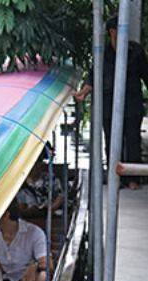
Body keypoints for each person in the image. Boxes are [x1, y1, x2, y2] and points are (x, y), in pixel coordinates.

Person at [73, 16, 148, 189]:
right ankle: (116, 177)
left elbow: (146, 74)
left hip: (132, 103)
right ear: (112, 32)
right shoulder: (102, 53)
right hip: (109, 104)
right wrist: (83, 92)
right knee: (111, 141)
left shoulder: (136, 51)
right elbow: (93, 76)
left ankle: (132, 179)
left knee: (133, 140)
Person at [0, 199, 49, 281]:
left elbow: (48, 263)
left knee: (43, 276)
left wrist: (35, 265)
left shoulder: (34, 232)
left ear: (6, 215)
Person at [16, 156, 64, 222]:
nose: (35, 167)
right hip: (28, 216)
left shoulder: (50, 178)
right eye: (33, 165)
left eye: (37, 164)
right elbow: (19, 205)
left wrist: (51, 209)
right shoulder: (20, 182)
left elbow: (60, 196)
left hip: (50, 213)